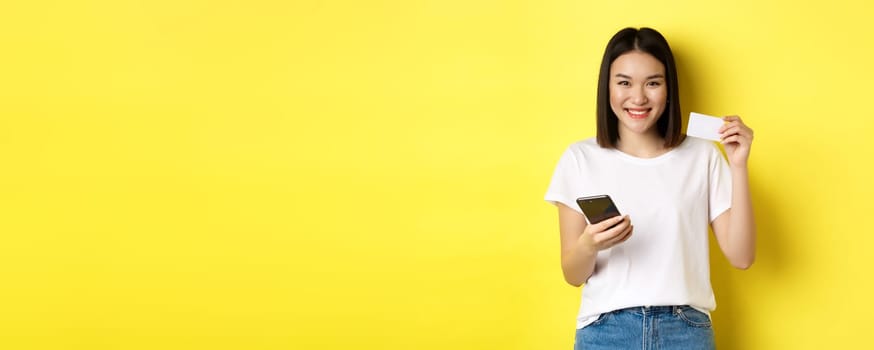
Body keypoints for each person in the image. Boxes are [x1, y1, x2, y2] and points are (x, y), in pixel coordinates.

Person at [544, 27, 755, 350]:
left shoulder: (701, 156)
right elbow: (572, 274)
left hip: (685, 331)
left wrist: (738, 165)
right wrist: (589, 244)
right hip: (606, 332)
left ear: (669, 89)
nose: (638, 97)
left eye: (653, 83)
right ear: (607, 88)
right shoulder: (580, 158)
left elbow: (741, 256)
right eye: (624, 82)